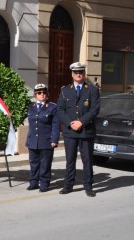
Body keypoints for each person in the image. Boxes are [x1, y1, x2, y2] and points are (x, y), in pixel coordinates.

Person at [57, 62, 100, 197]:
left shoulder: (92, 90)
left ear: (84, 74)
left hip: (86, 131)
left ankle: (88, 186)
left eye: (81, 72)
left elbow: (94, 110)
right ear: (72, 74)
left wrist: (81, 121)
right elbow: (60, 109)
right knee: (70, 160)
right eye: (76, 72)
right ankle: (68, 185)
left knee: (87, 160)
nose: (78, 74)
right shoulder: (65, 90)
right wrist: (71, 123)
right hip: (70, 131)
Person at [26, 83, 60, 193]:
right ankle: (33, 182)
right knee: (33, 163)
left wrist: (54, 139)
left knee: (45, 164)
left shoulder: (52, 107)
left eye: (44, 92)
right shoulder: (30, 107)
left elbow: (56, 125)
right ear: (35, 95)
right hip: (32, 140)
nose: (42, 95)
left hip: (46, 141)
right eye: (39, 93)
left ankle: (44, 183)